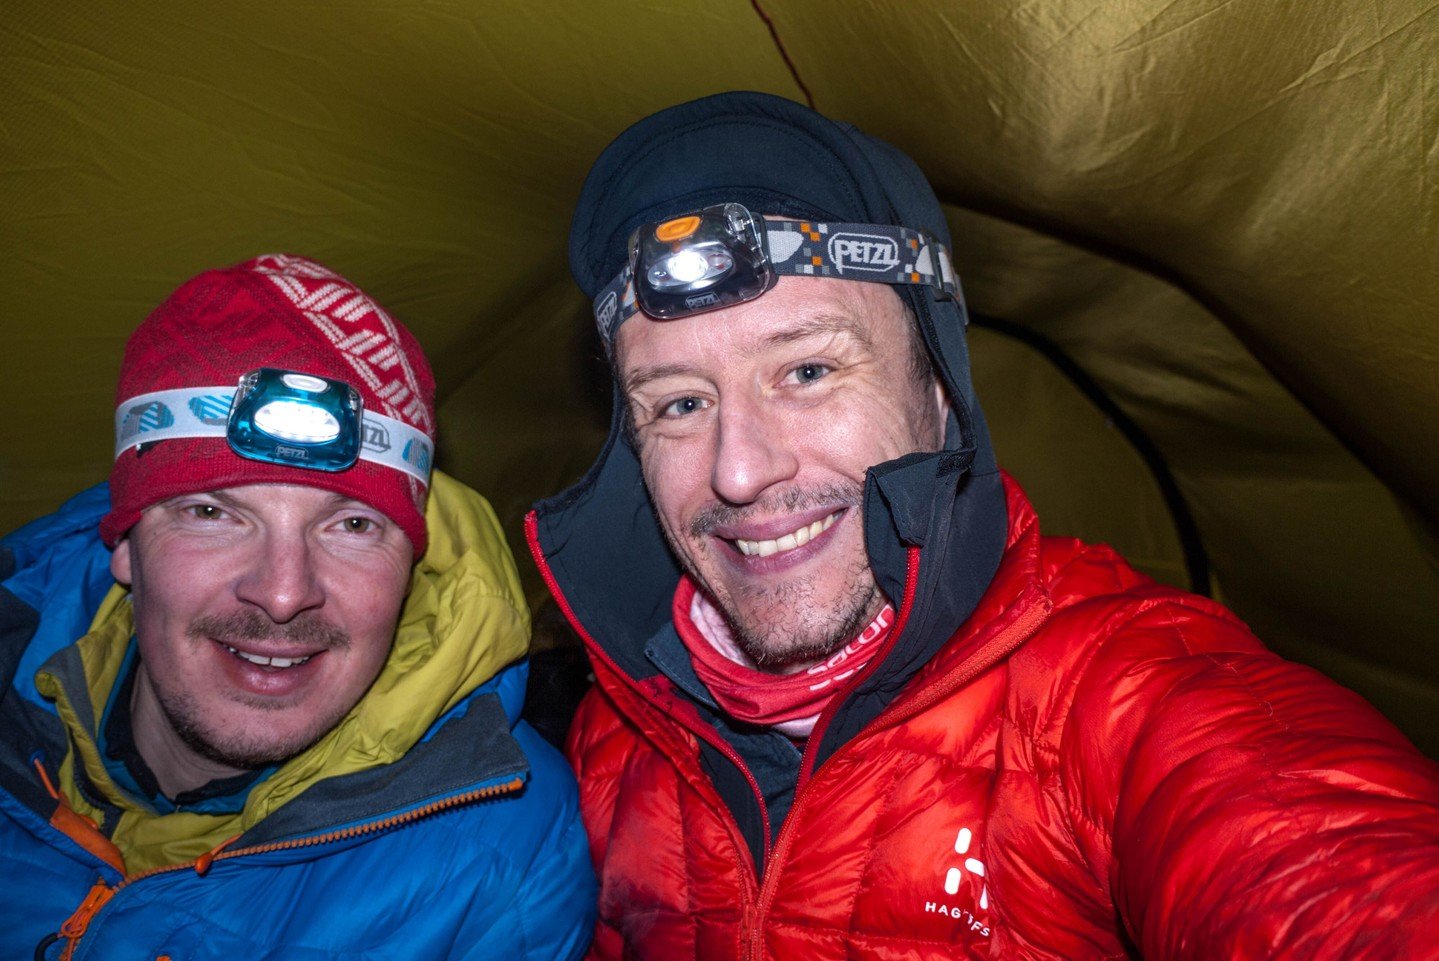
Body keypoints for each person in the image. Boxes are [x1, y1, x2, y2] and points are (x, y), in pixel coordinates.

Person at [528, 91, 1439, 959]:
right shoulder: (620, 732)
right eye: (680, 402)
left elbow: (1319, 862)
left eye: (806, 371)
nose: (738, 469)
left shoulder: (1112, 694)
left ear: (937, 392)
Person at [0, 254, 595, 960]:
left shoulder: (500, 862)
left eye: (351, 525)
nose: (283, 592)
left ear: (411, 563)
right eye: (212, 512)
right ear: (125, 542)